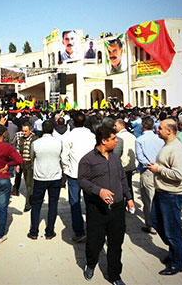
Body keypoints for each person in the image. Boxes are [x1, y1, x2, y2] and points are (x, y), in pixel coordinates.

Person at [78, 126, 135, 285]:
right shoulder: (88, 159)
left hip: (117, 209)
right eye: (113, 139)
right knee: (94, 242)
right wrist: (99, 191)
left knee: (116, 243)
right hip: (97, 209)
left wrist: (129, 198)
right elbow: (82, 180)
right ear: (103, 141)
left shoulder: (116, 158)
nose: (117, 141)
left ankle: (115, 275)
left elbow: (123, 179)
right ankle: (90, 264)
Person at [147, 119, 182, 276]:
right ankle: (175, 249)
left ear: (169, 131)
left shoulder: (176, 149)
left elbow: (179, 175)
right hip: (162, 192)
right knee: (156, 221)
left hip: (172, 195)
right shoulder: (167, 146)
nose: (158, 130)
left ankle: (178, 262)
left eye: (161, 128)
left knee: (172, 230)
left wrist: (158, 169)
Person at [60, 112, 96, 242]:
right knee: (90, 202)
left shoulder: (68, 137)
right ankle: (92, 229)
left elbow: (64, 157)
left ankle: (79, 232)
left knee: (75, 203)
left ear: (72, 122)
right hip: (89, 173)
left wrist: (66, 169)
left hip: (74, 173)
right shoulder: (91, 135)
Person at [27, 120, 62, 240]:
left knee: (36, 205)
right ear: (53, 129)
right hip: (55, 176)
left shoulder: (36, 143)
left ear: (42, 129)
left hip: (40, 176)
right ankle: (50, 231)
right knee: (53, 204)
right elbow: (61, 157)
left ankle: (33, 231)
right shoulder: (58, 142)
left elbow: (32, 157)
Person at [135, 117, 164, 234]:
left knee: (148, 199)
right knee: (157, 197)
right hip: (159, 169)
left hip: (148, 171)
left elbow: (140, 157)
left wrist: (148, 164)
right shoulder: (160, 139)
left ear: (142, 126)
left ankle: (151, 224)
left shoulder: (140, 140)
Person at [15, 122, 38, 211]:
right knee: (27, 182)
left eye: (25, 131)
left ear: (30, 130)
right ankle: (31, 198)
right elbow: (18, 152)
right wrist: (17, 164)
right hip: (23, 163)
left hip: (31, 164)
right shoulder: (21, 139)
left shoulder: (35, 139)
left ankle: (28, 204)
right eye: (23, 131)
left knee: (30, 184)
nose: (24, 133)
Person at [114, 118, 138, 201]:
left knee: (122, 185)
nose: (114, 127)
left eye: (116, 125)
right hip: (130, 164)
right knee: (129, 183)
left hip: (122, 164)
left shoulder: (118, 137)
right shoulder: (132, 136)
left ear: (121, 125)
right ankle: (130, 201)